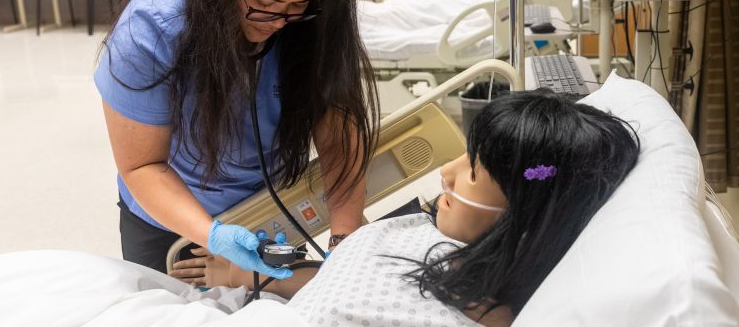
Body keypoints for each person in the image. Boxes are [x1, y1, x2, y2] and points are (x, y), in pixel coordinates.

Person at [95, 0, 377, 281]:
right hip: (170, 217)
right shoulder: (152, 30)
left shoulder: (316, 22)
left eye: (297, 6)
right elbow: (142, 164)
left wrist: (344, 239)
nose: (278, 22)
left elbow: (338, 131)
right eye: (263, 1)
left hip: (269, 206)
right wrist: (213, 236)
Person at [170, 89, 641, 326]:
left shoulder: (496, 306)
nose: (447, 173)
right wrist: (243, 275)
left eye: (473, 170)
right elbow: (347, 273)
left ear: (525, 211)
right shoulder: (443, 228)